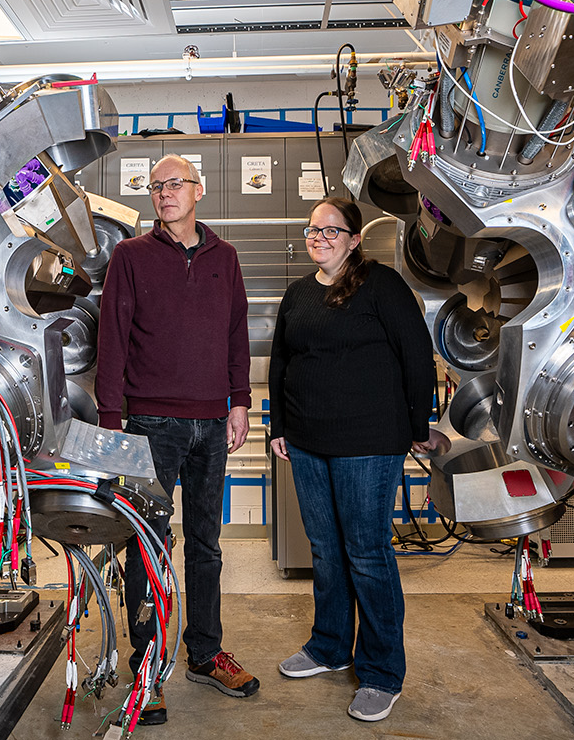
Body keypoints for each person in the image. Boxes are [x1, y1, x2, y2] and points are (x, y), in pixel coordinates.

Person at [95, 154, 259, 725]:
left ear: (199, 190)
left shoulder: (226, 258)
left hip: (213, 423)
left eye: (175, 184)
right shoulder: (130, 257)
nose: (164, 194)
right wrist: (111, 417)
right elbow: (111, 341)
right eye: (156, 186)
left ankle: (205, 654)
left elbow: (236, 335)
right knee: (149, 545)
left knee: (207, 545)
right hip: (150, 425)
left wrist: (240, 402)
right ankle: (147, 667)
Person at [268, 196, 440, 722]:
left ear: (354, 238)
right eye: (313, 230)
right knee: (325, 550)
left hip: (368, 442)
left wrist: (416, 426)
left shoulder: (382, 285)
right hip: (307, 441)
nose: (319, 238)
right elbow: (281, 360)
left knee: (366, 553)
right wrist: (278, 426)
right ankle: (329, 646)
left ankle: (383, 671)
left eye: (331, 230)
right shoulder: (298, 294)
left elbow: (416, 355)